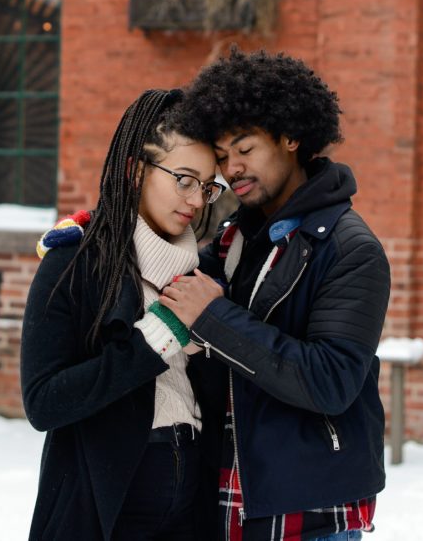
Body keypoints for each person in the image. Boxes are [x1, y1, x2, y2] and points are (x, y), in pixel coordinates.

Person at [156, 49, 392, 540]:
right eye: (222, 156)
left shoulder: (350, 249)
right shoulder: (233, 236)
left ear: (290, 137)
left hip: (307, 511)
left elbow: (330, 381)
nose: (232, 168)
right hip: (226, 499)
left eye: (245, 149)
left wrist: (214, 319)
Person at [20, 89, 227, 540]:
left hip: (189, 504)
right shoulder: (74, 263)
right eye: (184, 179)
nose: (196, 200)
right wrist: (157, 338)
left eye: (208, 186)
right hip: (104, 509)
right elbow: (43, 402)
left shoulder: (200, 275)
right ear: (136, 171)